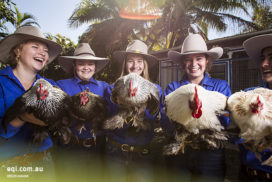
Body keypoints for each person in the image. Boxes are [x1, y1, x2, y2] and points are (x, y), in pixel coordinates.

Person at [163, 33, 231, 182]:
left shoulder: (220, 86)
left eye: (199, 58)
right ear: (183, 63)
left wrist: (188, 118)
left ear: (207, 61)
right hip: (180, 152)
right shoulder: (173, 88)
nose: (194, 64)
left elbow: (225, 122)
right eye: (188, 59)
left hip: (211, 154)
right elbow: (166, 123)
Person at [0, 26, 62, 180]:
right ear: (18, 50)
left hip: (44, 162)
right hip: (10, 166)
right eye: (35, 47)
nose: (42, 52)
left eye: (46, 50)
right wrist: (20, 118)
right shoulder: (1, 81)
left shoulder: (52, 85)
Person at [104, 40, 163, 182]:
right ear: (125, 63)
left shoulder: (155, 90)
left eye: (139, 61)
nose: (135, 65)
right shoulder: (112, 89)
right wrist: (121, 104)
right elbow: (109, 119)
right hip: (115, 151)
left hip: (142, 153)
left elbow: (153, 118)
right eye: (130, 61)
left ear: (145, 65)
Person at [54, 43, 109, 180]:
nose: (86, 67)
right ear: (74, 65)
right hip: (71, 148)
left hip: (98, 148)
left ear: (95, 66)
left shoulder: (105, 87)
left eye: (90, 63)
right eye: (81, 63)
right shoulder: (61, 85)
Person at [238, 34, 272, 182]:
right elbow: (233, 134)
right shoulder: (248, 95)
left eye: (271, 58)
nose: (264, 64)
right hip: (247, 175)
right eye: (263, 58)